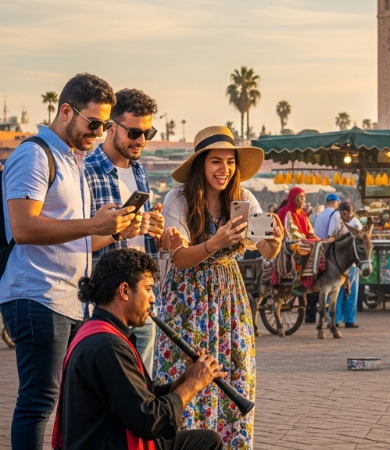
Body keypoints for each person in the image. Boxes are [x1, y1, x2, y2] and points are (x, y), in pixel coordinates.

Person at [0, 73, 139, 450]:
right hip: (37, 294)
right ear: (66, 111)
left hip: (68, 299)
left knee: (67, 401)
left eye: (104, 125)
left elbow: (77, 238)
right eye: (93, 123)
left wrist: (115, 230)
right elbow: (23, 227)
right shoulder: (34, 155)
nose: (98, 132)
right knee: (38, 401)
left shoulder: (74, 160)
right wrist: (94, 223)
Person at [154, 126, 282, 449]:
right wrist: (214, 242)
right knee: (184, 373)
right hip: (186, 299)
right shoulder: (178, 199)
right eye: (215, 161)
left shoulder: (243, 199)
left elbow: (265, 248)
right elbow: (180, 258)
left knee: (234, 372)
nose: (224, 169)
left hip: (228, 298)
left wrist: (275, 242)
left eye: (230, 162)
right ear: (201, 165)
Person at [55, 248, 223, 450]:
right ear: (124, 291)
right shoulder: (108, 346)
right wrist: (193, 384)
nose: (153, 298)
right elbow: (150, 421)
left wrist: (186, 378)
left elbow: (138, 397)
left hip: (111, 438)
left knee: (208, 440)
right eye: (148, 289)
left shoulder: (97, 330)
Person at [84, 88, 164, 376]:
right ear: (111, 127)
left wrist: (154, 227)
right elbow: (79, 242)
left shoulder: (140, 171)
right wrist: (120, 232)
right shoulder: (87, 171)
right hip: (106, 305)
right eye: (133, 132)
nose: (141, 140)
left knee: (142, 386)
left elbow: (140, 233)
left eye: (147, 133)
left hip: (141, 298)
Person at [329, 201, 362, 328]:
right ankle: (336, 319)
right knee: (338, 290)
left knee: (349, 291)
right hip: (340, 262)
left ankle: (348, 319)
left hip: (349, 262)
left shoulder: (355, 224)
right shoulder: (340, 221)